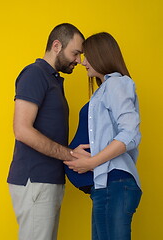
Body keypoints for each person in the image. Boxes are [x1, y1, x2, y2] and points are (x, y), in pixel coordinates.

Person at [7, 23, 89, 240]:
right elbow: (22, 130)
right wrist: (70, 155)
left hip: (47, 180)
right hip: (35, 180)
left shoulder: (52, 80)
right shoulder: (35, 74)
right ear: (56, 45)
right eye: (75, 53)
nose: (78, 60)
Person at [64, 32, 142, 240]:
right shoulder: (103, 90)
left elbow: (130, 133)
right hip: (105, 186)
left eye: (87, 56)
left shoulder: (116, 84)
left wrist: (92, 163)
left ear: (101, 55)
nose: (83, 62)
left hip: (114, 183)